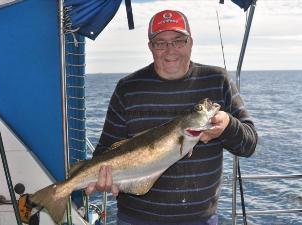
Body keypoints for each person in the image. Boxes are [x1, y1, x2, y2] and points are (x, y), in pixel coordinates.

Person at [86, 9, 258, 225]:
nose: (170, 50)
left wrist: (228, 126)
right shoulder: (128, 88)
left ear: (190, 42)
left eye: (178, 41)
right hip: (135, 218)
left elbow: (250, 144)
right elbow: (105, 150)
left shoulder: (217, 80)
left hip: (200, 219)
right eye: (161, 43)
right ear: (150, 46)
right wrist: (102, 176)